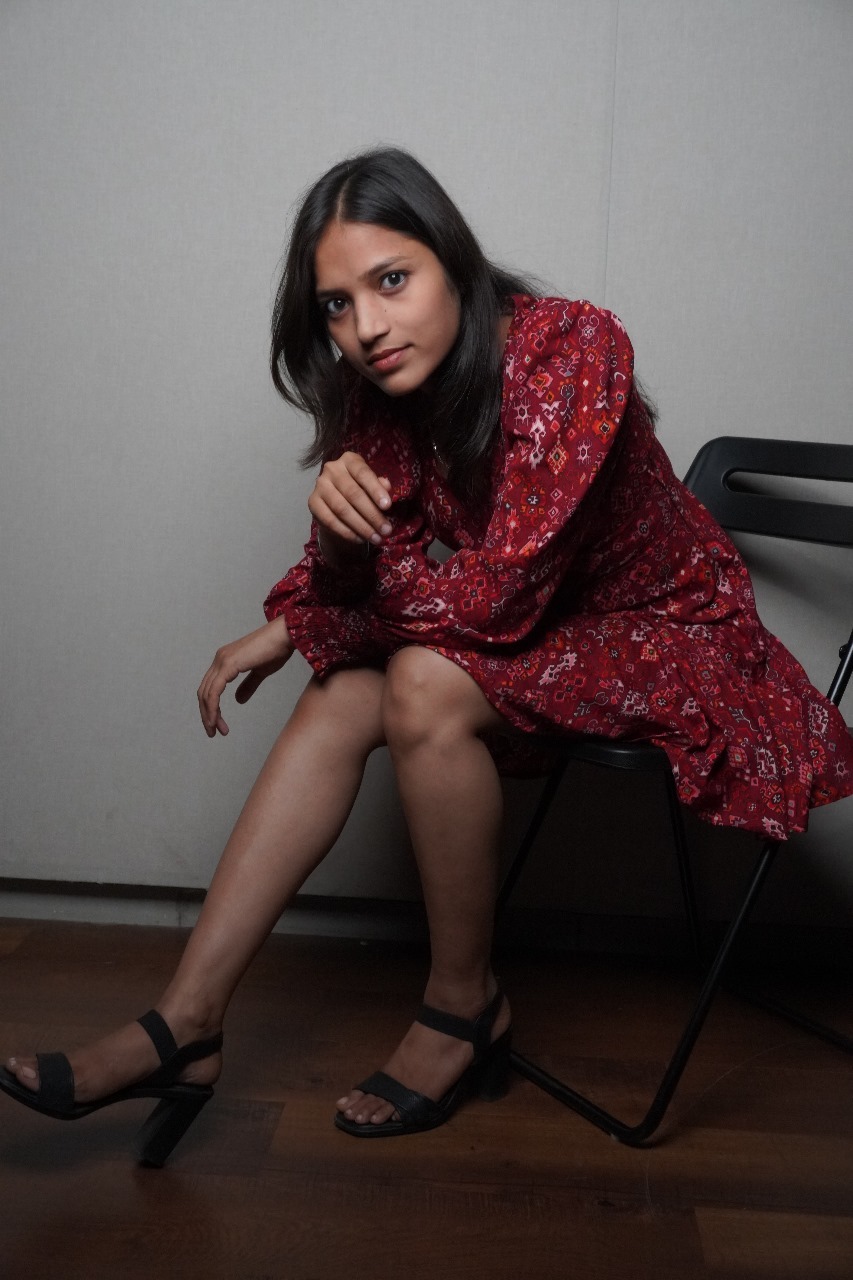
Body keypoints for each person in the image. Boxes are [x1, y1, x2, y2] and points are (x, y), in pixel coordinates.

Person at [2, 149, 852, 1154]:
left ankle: (463, 1006)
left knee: (414, 677)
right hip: (551, 634)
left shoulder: (571, 348)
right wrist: (333, 557)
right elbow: (397, 585)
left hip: (675, 634)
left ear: (452, 258)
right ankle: (185, 1023)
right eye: (336, 304)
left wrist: (300, 620)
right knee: (344, 693)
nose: (364, 327)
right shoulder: (386, 399)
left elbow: (495, 598)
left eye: (391, 279)